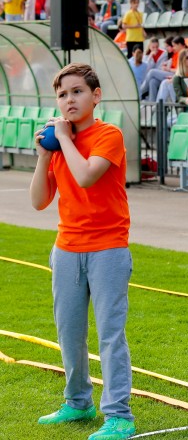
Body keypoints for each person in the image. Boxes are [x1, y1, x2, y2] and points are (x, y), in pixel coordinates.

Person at [30, 63, 135, 440]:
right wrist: (45, 155)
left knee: (110, 334)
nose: (69, 100)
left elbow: (88, 175)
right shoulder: (59, 144)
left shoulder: (109, 134)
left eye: (77, 92)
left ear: (96, 96)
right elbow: (39, 201)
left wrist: (64, 138)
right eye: (62, 94)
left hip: (108, 248)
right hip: (67, 248)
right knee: (69, 333)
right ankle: (78, 402)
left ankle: (119, 416)